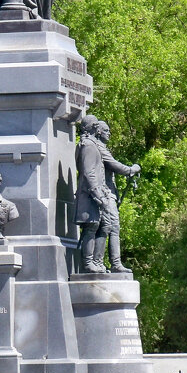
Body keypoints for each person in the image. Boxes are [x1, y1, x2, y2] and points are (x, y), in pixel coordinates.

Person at [74, 115, 140, 273]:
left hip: (99, 193)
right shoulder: (88, 146)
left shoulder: (93, 145)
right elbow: (89, 172)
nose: (100, 129)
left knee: (103, 225)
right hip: (93, 195)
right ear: (92, 128)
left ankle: (97, 262)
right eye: (97, 126)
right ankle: (91, 263)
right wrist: (98, 195)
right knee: (92, 226)